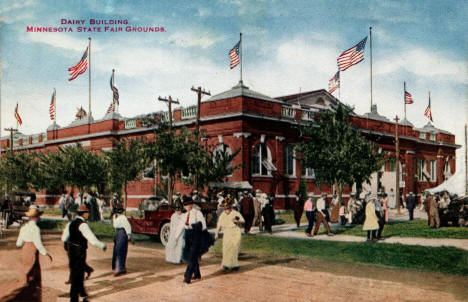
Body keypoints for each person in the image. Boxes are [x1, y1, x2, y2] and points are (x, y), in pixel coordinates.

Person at [0, 205, 53, 302]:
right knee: (33, 274)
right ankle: (30, 296)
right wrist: (46, 253)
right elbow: (38, 243)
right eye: (38, 216)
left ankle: (22, 293)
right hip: (32, 251)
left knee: (25, 272)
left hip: (25, 250)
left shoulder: (24, 228)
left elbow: (18, 243)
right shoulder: (36, 228)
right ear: (36, 217)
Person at [62, 205, 106, 302]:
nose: (88, 214)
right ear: (85, 214)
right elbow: (92, 239)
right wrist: (102, 245)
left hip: (71, 250)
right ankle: (74, 299)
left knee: (76, 272)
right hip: (79, 251)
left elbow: (64, 238)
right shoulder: (83, 225)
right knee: (77, 274)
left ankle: (82, 294)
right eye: (88, 212)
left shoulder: (71, 223)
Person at [215, 196, 245, 271]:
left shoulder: (235, 213)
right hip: (227, 231)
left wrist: (236, 221)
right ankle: (226, 264)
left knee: (234, 247)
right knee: (226, 248)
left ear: (230, 207)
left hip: (235, 231)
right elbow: (219, 224)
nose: (226, 210)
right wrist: (216, 233)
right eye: (225, 208)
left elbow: (242, 221)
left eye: (227, 208)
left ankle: (234, 264)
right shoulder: (223, 214)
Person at [182, 196, 208, 284]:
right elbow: (181, 226)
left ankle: (187, 277)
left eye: (188, 204)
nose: (186, 207)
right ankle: (197, 274)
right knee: (193, 256)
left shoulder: (198, 213)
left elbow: (203, 225)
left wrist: (195, 227)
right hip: (188, 236)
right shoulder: (185, 215)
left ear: (191, 205)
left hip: (196, 236)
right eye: (185, 205)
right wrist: (176, 237)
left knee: (192, 256)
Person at [112, 206, 132, 276]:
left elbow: (127, 227)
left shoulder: (123, 218)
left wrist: (129, 235)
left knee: (120, 250)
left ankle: (119, 269)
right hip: (117, 233)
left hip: (122, 233)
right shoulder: (116, 218)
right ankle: (121, 268)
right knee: (118, 251)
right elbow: (114, 226)